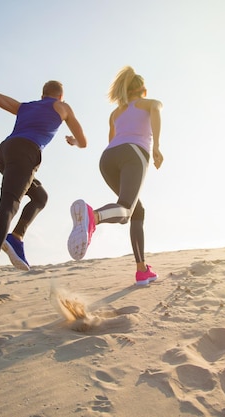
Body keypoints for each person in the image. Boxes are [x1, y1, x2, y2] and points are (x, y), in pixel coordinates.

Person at [0, 80, 87, 302]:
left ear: (42, 95)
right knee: (9, 204)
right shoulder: (63, 107)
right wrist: (74, 141)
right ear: (60, 97)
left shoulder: (26, 107)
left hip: (4, 152)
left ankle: (15, 238)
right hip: (25, 153)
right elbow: (84, 141)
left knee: (40, 197)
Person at [67, 66, 163, 285]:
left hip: (108, 159)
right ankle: (94, 217)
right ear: (143, 90)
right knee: (127, 209)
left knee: (136, 211)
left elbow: (112, 142)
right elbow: (156, 111)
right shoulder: (149, 103)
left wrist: (75, 142)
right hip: (133, 155)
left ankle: (142, 270)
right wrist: (156, 146)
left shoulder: (115, 113)